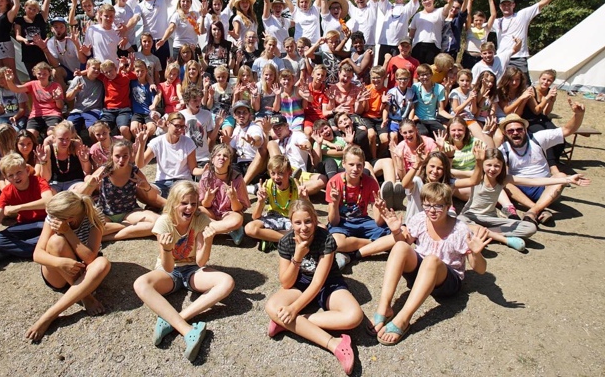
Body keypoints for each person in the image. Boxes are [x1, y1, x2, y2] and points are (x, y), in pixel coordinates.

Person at [369, 183, 489, 345]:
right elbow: (405, 243)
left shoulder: (460, 230)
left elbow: (480, 270)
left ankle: (403, 319)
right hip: (421, 273)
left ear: (448, 206)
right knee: (400, 246)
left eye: (438, 206)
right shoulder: (420, 219)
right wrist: (396, 231)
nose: (432, 210)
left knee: (431, 260)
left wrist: (476, 253)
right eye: (427, 205)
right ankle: (384, 307)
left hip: (446, 281)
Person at [132, 181, 234, 362]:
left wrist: (209, 241)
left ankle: (174, 320)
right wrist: (166, 249)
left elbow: (200, 261)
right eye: (184, 203)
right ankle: (187, 331)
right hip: (169, 272)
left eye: (193, 203)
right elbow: (168, 267)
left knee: (227, 282)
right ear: (173, 203)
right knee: (140, 284)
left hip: (193, 270)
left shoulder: (200, 219)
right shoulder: (164, 222)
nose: (190, 208)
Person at [265, 200, 361, 375]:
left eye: (308, 221)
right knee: (271, 306)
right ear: (291, 223)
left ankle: (288, 323)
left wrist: (293, 310)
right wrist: (297, 256)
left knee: (354, 316)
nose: (303, 227)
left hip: (328, 283)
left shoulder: (325, 239)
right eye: (298, 222)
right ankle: (334, 343)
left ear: (315, 220)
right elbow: (286, 283)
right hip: (300, 283)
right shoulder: (286, 242)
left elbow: (318, 282)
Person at [459, 149, 589, 251]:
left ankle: (481, 233)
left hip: (491, 219)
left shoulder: (504, 179)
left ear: (502, 166)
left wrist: (567, 179)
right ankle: (501, 238)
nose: (492, 169)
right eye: (488, 165)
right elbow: (451, 172)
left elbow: (534, 181)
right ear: (482, 164)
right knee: (458, 222)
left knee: (530, 228)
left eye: (497, 166)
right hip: (470, 216)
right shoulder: (476, 176)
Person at [27, 191, 111, 342]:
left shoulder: (93, 218)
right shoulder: (53, 218)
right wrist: (60, 263)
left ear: (70, 218)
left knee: (102, 264)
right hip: (58, 272)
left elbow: (90, 258)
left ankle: (50, 314)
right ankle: (85, 296)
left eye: (55, 217)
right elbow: (37, 254)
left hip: (83, 266)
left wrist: (67, 232)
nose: (52, 219)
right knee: (56, 242)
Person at [499, 104, 585, 226]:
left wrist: (578, 114)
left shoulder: (538, 138)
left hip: (544, 186)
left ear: (525, 130)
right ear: (505, 133)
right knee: (502, 180)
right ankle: (538, 209)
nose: (515, 133)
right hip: (519, 189)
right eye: (511, 131)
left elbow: (567, 130)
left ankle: (532, 212)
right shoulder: (503, 149)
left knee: (560, 176)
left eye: (519, 129)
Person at [494, 0, 571, 78]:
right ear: (500, 7)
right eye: (503, 5)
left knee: (524, 84)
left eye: (509, 4)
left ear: (513, 5)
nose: (506, 7)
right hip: (502, 57)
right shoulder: (496, 22)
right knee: (501, 84)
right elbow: (477, 27)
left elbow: (543, 2)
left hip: (519, 57)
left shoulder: (522, 15)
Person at [130, 0, 200, 70]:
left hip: (162, 40)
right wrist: (125, 28)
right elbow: (134, 19)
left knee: (164, 70)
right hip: (147, 42)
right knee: (146, 69)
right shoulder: (139, 6)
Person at [0, 153, 53, 261]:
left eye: (19, 172)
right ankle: (43, 246)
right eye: (11, 175)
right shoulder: (7, 192)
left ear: (27, 170)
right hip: (25, 225)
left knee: (55, 229)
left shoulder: (38, 181)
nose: (16, 177)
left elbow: (49, 201)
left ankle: (13, 250)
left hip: (46, 221)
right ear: (6, 177)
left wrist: (18, 207)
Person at [135, 112, 199, 198]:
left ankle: (163, 203)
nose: (180, 130)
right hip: (162, 183)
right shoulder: (157, 142)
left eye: (182, 126)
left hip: (182, 182)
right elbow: (140, 165)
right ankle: (167, 202)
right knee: (143, 191)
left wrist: (206, 170)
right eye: (177, 126)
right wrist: (142, 144)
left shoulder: (188, 142)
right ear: (168, 123)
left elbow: (193, 169)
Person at [198, 143, 249, 245]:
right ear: (212, 159)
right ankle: (228, 230)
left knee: (237, 220)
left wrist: (233, 198)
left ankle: (204, 229)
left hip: (229, 214)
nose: (222, 158)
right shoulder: (205, 177)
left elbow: (239, 209)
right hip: (211, 212)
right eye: (218, 155)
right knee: (196, 210)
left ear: (230, 161)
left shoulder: (237, 179)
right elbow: (205, 205)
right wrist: (208, 199)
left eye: (225, 156)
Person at [3, 64, 64, 139]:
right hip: (36, 115)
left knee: (51, 133)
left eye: (44, 73)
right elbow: (17, 89)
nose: (42, 76)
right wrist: (9, 81)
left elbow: (60, 106)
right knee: (30, 135)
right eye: (39, 74)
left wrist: (57, 99)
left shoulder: (56, 86)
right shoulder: (33, 84)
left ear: (49, 73)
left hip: (53, 114)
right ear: (35, 73)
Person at [14, 0, 57, 75]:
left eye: (34, 9)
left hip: (42, 51)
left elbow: (46, 4)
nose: (32, 11)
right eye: (30, 8)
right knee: (33, 76)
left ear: (37, 11)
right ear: (25, 8)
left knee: (46, 75)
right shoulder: (19, 20)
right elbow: (17, 36)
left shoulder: (40, 18)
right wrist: (24, 40)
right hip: (28, 53)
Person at [38, 121, 91, 192]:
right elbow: (46, 178)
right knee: (47, 192)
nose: (65, 142)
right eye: (61, 139)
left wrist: (85, 161)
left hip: (75, 183)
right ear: (54, 138)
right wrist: (43, 162)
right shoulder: (48, 149)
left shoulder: (76, 146)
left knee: (81, 189)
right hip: (55, 183)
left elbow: (87, 171)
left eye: (67, 139)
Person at [409, 0, 453, 65]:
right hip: (418, 46)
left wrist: (450, 3)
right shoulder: (417, 15)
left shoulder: (439, 12)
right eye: (424, 0)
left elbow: (447, 8)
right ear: (422, 2)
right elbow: (411, 33)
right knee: (418, 68)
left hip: (434, 46)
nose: (427, 1)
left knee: (431, 69)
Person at [462, 0, 497, 70]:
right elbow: (468, 13)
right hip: (468, 56)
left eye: (481, 20)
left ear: (484, 20)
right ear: (473, 20)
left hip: (481, 57)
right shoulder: (469, 28)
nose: (478, 22)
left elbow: (493, 15)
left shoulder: (486, 28)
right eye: (476, 20)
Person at [0, 66, 28, 133]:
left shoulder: (18, 89)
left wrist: (15, 117)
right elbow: (1, 112)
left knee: (14, 132)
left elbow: (22, 110)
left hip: (19, 116)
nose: (0, 80)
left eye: (2, 77)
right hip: (4, 117)